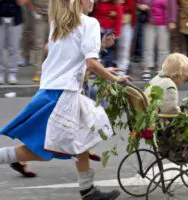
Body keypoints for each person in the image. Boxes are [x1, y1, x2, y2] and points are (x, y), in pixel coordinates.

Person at [0, 1, 129, 200]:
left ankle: (88, 191)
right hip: (64, 95)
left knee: (81, 138)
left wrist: (100, 46)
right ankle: (87, 191)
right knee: (51, 147)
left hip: (53, 90)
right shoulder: (90, 23)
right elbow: (91, 62)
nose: (93, 1)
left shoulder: (60, 23)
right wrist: (114, 78)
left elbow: (71, 57)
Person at [137, 0, 178, 81]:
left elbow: (173, 7)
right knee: (148, 46)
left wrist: (172, 21)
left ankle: (161, 68)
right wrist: (140, 6)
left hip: (164, 23)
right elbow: (138, 3)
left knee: (163, 48)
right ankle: (146, 69)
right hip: (149, 22)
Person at [0, 0, 28, 84]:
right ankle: (0, 74)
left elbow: (22, 2)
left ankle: (12, 74)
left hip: (15, 18)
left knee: (14, 48)